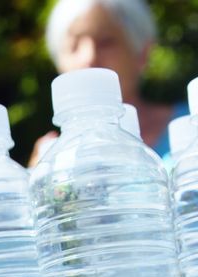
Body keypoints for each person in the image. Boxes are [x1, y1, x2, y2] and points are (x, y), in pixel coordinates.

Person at [33, 0, 188, 164]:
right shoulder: (56, 163)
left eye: (106, 42)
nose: (89, 57)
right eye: (74, 45)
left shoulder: (196, 127)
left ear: (143, 53)